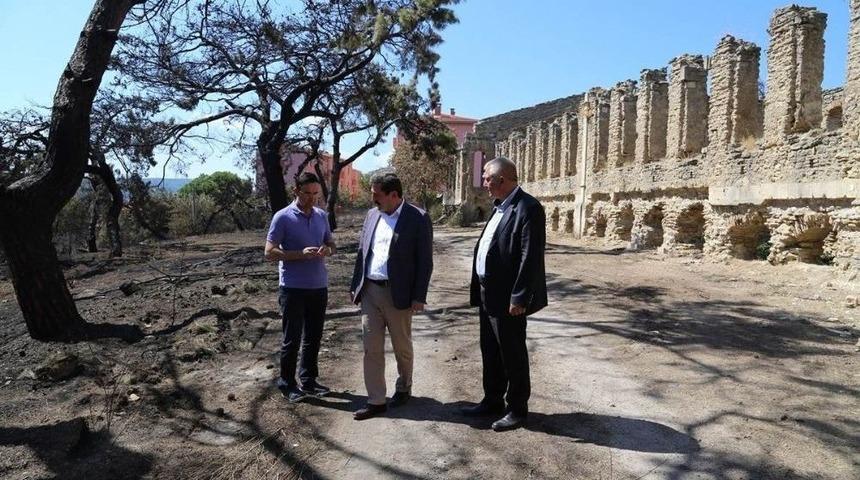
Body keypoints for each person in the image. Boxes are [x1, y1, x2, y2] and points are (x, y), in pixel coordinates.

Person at [461, 156, 547, 432]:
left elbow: (529, 256)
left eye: (487, 179)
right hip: (489, 292)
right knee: (491, 350)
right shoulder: (498, 207)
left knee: (512, 353)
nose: (483, 184)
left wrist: (520, 297)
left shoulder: (528, 208)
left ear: (502, 180)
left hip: (509, 297)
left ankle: (517, 409)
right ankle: (492, 400)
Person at [350, 173, 433, 420]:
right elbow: (362, 252)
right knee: (371, 347)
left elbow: (424, 261)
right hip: (370, 291)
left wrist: (419, 296)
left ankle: (404, 386)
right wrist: (356, 286)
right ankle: (376, 400)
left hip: (400, 294)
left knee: (402, 347)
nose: (373, 199)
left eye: (377, 195)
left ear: (393, 195)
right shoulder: (371, 215)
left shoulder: (418, 218)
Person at [264, 172, 336, 403]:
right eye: (307, 193)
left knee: (313, 336)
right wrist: (298, 254)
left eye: (316, 194)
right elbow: (269, 252)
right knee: (292, 338)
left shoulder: (321, 216)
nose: (312, 199)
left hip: (318, 286)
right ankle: (287, 383)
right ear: (296, 191)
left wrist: (327, 250)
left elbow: (331, 244)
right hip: (293, 288)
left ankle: (309, 379)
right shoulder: (282, 217)